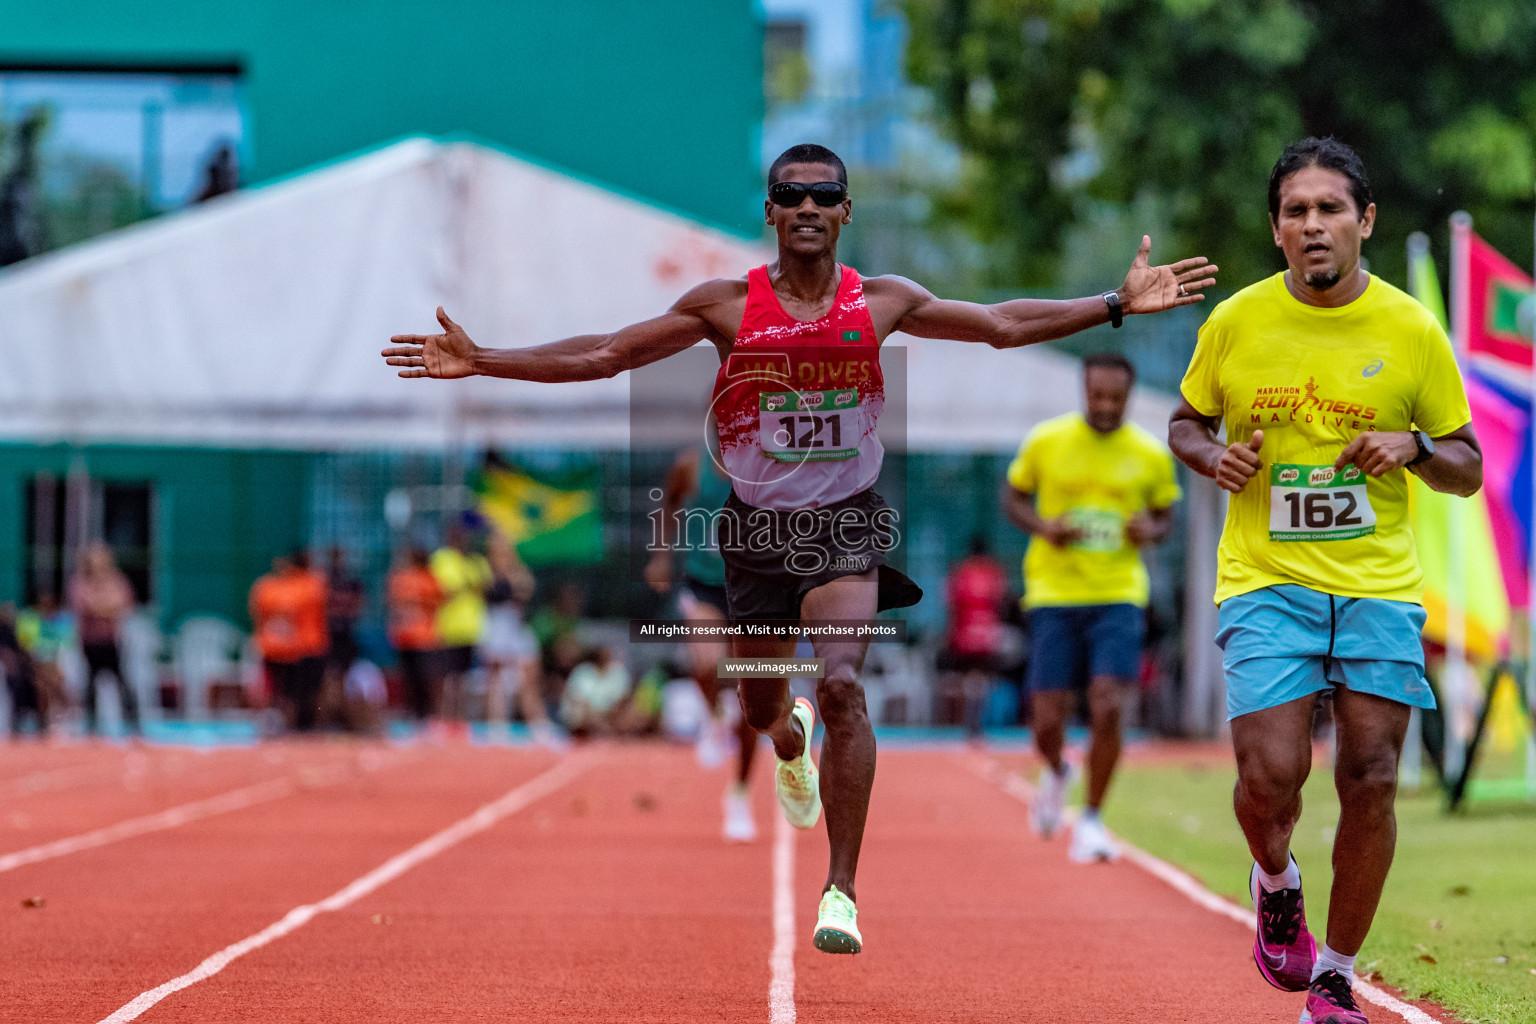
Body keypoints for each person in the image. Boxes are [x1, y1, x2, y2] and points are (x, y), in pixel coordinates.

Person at [384, 141, 1216, 953]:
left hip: (844, 523)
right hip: (753, 535)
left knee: (844, 685)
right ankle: (788, 743)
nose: (809, 207)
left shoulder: (882, 300)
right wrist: (484, 359)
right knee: (758, 704)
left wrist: (1112, 303)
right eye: (793, 195)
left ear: (847, 212)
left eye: (825, 195)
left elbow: (1000, 324)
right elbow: (609, 354)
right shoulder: (726, 306)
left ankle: (842, 889)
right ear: (773, 213)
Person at [1168, 137, 1481, 1024]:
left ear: (1364, 221)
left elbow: (1468, 464)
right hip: (1266, 579)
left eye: (1330, 208)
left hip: (1377, 584)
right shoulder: (1236, 321)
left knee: (1373, 773)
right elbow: (1184, 422)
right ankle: (1276, 880)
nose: (1314, 224)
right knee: (1272, 774)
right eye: (1296, 211)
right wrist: (1213, 455)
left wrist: (1414, 447)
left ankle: (1336, 977)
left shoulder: (1411, 329)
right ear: (1275, 229)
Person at [1002, 352, 1182, 863]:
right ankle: (1058, 770)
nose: (1104, 406)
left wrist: (1150, 531)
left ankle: (1094, 819)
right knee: (1045, 720)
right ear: (1084, 392)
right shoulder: (1047, 441)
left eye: (1114, 399)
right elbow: (1013, 499)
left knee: (1108, 704)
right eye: (1096, 396)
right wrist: (1045, 528)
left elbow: (1165, 518)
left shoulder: (1149, 453)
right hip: (1054, 594)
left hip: (1119, 593)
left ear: (1128, 397)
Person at [645, 441, 762, 842]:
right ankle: (714, 716)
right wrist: (661, 555)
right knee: (707, 663)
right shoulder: (691, 467)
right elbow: (669, 506)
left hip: (754, 591)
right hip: (705, 585)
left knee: (754, 701)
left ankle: (740, 795)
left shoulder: (770, 466)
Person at [482, 530, 562, 743]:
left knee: (529, 679)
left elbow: (527, 589)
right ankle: (497, 728)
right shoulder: (486, 571)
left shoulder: (516, 571)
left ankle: (539, 725)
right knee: (496, 681)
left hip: (515, 628)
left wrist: (512, 567)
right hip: (496, 628)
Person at [249, 550, 329, 732]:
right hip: (288, 648)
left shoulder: (305, 584)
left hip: (300, 646)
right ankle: (287, 724)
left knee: (301, 692)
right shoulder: (307, 585)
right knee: (285, 691)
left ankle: (299, 724)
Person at [68, 543, 142, 736]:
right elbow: (87, 606)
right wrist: (106, 606)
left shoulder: (117, 580)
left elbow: (123, 604)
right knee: (91, 684)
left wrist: (103, 606)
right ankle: (91, 727)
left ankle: (134, 726)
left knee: (123, 682)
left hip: (112, 642)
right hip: (90, 642)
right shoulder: (80, 582)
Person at [940, 535, 1009, 736]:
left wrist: (951, 632)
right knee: (981, 678)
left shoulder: (961, 572)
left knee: (967, 678)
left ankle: (968, 722)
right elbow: (1000, 603)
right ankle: (976, 723)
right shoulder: (994, 572)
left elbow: (952, 605)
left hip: (964, 633)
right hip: (986, 632)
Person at [431, 523, 492, 725]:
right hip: (449, 628)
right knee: (447, 679)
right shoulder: (443, 558)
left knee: (466, 680)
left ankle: (459, 720)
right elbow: (447, 587)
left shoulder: (477, 561)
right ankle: (442, 718)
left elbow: (487, 586)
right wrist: (470, 582)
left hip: (472, 628)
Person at [387, 547, 444, 722]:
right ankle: (416, 714)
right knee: (411, 678)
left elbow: (438, 600)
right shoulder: (404, 578)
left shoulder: (426, 578)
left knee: (424, 678)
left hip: (423, 636)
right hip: (409, 636)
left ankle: (427, 714)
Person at [323, 546, 366, 727]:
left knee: (343, 680)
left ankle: (343, 718)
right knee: (329, 680)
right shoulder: (322, 582)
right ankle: (329, 717)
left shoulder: (352, 583)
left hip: (346, 637)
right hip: (327, 638)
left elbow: (357, 609)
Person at [558, 645, 632, 736]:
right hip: (588, 715)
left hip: (612, 715)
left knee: (631, 714)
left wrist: (608, 716)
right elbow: (579, 700)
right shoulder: (582, 673)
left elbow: (623, 699)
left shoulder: (618, 672)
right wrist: (597, 718)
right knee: (578, 712)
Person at [1, 603, 45, 738]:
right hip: (5, 671)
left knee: (33, 682)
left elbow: (20, 651)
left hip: (18, 671)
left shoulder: (10, 631)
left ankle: (34, 722)